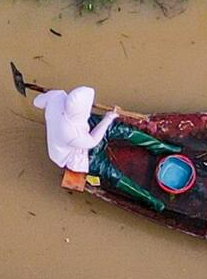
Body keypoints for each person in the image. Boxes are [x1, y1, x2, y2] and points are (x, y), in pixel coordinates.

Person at [35, 86, 180, 213]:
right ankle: (150, 199)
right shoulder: (69, 132)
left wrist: (50, 97)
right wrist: (108, 118)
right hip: (79, 154)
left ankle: (160, 147)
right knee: (110, 172)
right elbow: (92, 142)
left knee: (121, 129)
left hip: (84, 128)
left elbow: (37, 102)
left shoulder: (57, 96)